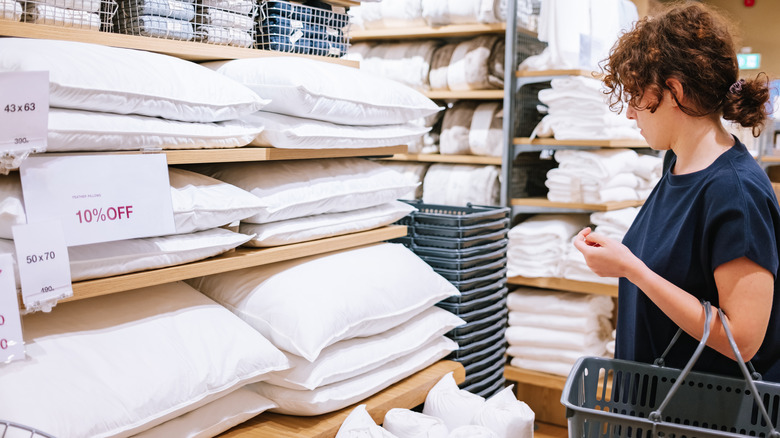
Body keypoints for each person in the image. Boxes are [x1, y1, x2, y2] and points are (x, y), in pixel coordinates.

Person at [573, 2, 780, 381]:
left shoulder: (735, 192)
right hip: (654, 405)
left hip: (703, 414)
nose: (630, 113)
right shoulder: (677, 164)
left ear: (673, 91)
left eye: (636, 96)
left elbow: (743, 339)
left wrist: (632, 270)